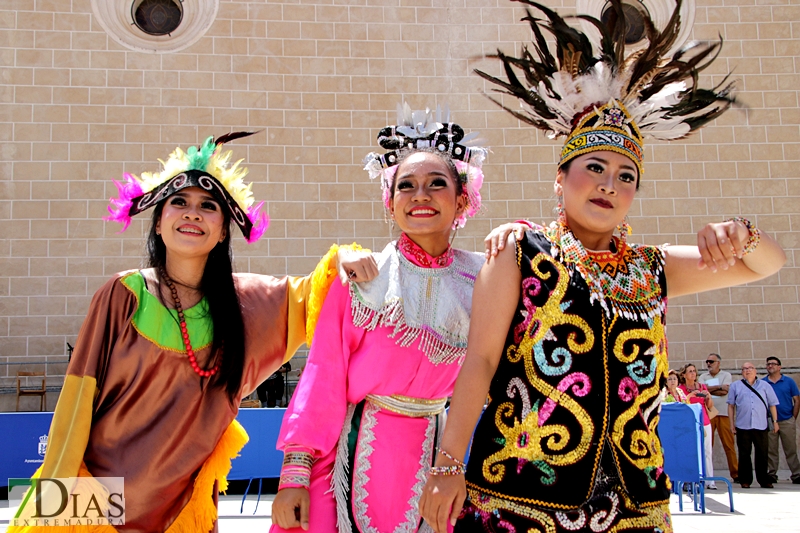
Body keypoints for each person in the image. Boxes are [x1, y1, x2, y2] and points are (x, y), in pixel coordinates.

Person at [419, 2, 786, 532]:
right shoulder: (520, 251)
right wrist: (449, 465)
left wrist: (741, 232)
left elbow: (766, 265)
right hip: (521, 499)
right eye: (594, 168)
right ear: (560, 178)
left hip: (635, 506)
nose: (609, 184)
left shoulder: (651, 268)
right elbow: (478, 362)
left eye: (625, 175)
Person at [9, 134, 374, 533]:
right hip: (96, 504)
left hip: (183, 514)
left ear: (222, 233)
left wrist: (344, 257)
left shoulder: (246, 306)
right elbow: (76, 403)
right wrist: (55, 510)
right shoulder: (124, 294)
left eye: (208, 206)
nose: (192, 213)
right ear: (159, 223)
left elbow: (313, 297)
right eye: (179, 202)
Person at [269, 105, 489, 532]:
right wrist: (294, 475)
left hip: (437, 457)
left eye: (436, 184)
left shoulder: (482, 279)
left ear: (462, 199)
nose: (420, 195)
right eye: (406, 186)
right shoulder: (362, 277)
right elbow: (323, 375)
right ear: (390, 204)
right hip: (344, 464)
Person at [728, 362, 780, 488]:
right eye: (744, 368)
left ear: (755, 371)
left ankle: (763, 479)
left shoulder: (765, 386)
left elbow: (772, 404)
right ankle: (745, 480)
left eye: (750, 368)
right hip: (743, 425)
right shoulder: (735, 386)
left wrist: (775, 421)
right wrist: (731, 424)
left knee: (762, 453)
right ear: (742, 372)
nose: (748, 370)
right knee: (744, 453)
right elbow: (731, 406)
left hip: (761, 425)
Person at [698, 353, 738, 482]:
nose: (709, 364)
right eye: (707, 361)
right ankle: (706, 474)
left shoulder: (726, 375)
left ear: (718, 363)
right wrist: (719, 388)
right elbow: (702, 392)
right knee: (708, 445)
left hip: (723, 413)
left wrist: (709, 390)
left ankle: (736, 473)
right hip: (709, 414)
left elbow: (726, 391)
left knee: (729, 444)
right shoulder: (703, 376)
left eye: (711, 361)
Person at [762, 356, 800, 483]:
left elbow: (797, 400)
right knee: (771, 449)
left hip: (786, 420)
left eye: (773, 364)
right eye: (768, 364)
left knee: (791, 449)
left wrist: (793, 418)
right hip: (770, 421)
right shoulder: (762, 383)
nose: (770, 366)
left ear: (779, 367)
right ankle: (772, 474)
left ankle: (796, 474)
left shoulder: (789, 381)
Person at [679, 363, 716, 488]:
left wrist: (708, 397)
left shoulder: (702, 386)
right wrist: (690, 396)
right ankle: (692, 479)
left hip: (704, 421)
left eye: (694, 371)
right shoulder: (681, 389)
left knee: (707, 451)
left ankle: (710, 480)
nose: (693, 373)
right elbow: (681, 405)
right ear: (684, 375)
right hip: (689, 423)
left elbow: (709, 406)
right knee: (691, 451)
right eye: (689, 371)